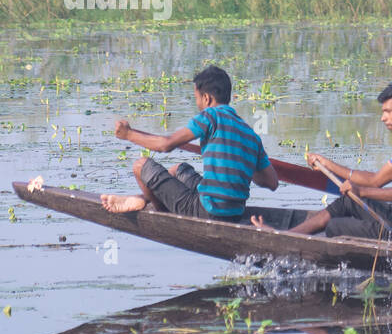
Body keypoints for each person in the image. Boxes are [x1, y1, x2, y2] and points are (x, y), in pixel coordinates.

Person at [252, 79, 392, 243]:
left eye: (388, 111)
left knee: (336, 226)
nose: (382, 118)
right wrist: (327, 164)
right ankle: (287, 236)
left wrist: (361, 191)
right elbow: (375, 180)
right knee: (347, 203)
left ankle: (287, 238)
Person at [100, 65, 277, 219]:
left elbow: (166, 144)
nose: (198, 104)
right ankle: (141, 198)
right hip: (235, 213)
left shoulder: (210, 116)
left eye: (197, 99)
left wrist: (129, 135)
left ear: (206, 98)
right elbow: (272, 182)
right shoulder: (250, 134)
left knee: (140, 165)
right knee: (178, 169)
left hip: (206, 210)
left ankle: (157, 209)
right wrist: (241, 161)